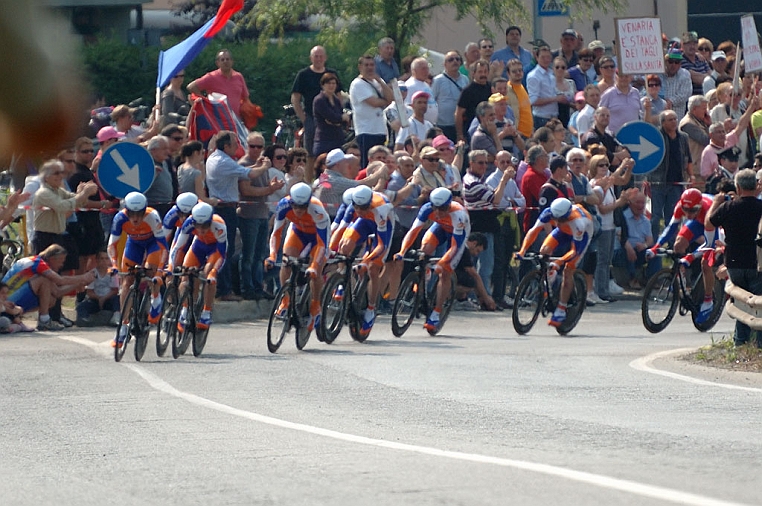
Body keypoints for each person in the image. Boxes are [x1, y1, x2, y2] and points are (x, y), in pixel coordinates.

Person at [205, 130, 272, 301]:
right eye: (235, 144)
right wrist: (264, 166)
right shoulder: (223, 161)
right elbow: (249, 174)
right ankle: (224, 289)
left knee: (227, 249)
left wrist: (257, 165)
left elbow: (240, 170)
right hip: (224, 208)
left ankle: (224, 288)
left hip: (225, 208)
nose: (238, 147)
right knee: (226, 250)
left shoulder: (216, 157)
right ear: (226, 146)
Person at [395, 187, 472, 329]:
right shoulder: (426, 209)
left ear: (449, 204)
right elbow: (413, 231)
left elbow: (454, 247)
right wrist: (402, 251)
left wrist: (442, 262)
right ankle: (424, 276)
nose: (438, 212)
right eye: (435, 208)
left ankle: (436, 312)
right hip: (441, 228)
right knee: (424, 250)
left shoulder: (459, 214)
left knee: (445, 271)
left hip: (457, 235)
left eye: (442, 208)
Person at [516, 198, 594, 327]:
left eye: (561, 219)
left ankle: (561, 309)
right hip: (563, 231)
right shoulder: (549, 212)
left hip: (582, 235)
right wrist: (522, 251)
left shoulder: (578, 222)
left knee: (568, 269)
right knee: (544, 251)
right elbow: (533, 231)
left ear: (567, 215)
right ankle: (549, 278)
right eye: (556, 219)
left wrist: (559, 261)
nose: (557, 222)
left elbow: (575, 251)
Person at [265, 183, 331, 333]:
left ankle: (315, 305)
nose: (299, 210)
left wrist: (314, 265)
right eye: (295, 206)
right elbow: (276, 233)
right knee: (286, 261)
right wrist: (272, 255)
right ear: (290, 202)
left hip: (318, 238)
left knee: (316, 270)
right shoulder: (283, 205)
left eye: (303, 207)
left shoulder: (317, 209)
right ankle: (285, 300)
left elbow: (322, 244)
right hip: (298, 232)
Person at [707, 169, 762, 346]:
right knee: (757, 306)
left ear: (738, 188)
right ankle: (758, 345)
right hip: (757, 263)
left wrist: (715, 203)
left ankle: (740, 343)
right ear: (756, 186)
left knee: (740, 304)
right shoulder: (760, 207)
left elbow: (709, 223)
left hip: (734, 263)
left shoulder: (729, 207)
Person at [647, 188, 717, 322]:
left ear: (699, 206)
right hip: (698, 221)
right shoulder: (682, 206)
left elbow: (709, 245)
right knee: (678, 245)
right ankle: (680, 280)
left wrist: (690, 257)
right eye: (686, 210)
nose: (688, 214)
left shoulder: (708, 209)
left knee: (705, 263)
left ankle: (708, 301)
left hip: (712, 223)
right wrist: (656, 247)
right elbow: (671, 228)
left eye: (692, 210)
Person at [108, 192, 168, 347]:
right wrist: (114, 264)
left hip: (153, 244)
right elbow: (111, 245)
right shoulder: (120, 218)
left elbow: (163, 248)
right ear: (126, 211)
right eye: (131, 214)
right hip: (134, 244)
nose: (135, 219)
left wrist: (160, 272)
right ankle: (124, 325)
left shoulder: (152, 217)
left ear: (144, 211)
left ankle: (156, 298)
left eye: (139, 214)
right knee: (127, 282)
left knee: (149, 273)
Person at [336, 186, 394, 337]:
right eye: (357, 207)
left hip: (383, 227)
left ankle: (371, 308)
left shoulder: (380, 208)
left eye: (364, 207)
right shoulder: (353, 206)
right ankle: (342, 280)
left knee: (373, 268)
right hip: (365, 223)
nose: (360, 210)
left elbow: (381, 245)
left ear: (370, 203)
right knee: (344, 245)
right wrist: (329, 251)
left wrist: (366, 261)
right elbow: (340, 230)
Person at [2, 244, 95, 331]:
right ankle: (44, 320)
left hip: (8, 298)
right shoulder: (38, 264)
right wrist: (83, 277)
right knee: (44, 280)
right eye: (61, 261)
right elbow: (60, 280)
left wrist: (80, 283)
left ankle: (15, 317)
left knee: (51, 299)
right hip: (6, 300)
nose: (61, 265)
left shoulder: (38, 264)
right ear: (52, 259)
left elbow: (57, 292)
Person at [169, 202, 228, 332]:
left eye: (205, 225)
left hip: (215, 250)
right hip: (198, 246)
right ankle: (185, 308)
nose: (201, 229)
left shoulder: (219, 225)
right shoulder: (189, 223)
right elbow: (178, 247)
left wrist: (214, 272)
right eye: (198, 225)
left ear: (210, 220)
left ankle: (206, 312)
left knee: (209, 274)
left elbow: (222, 254)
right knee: (186, 274)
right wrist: (172, 267)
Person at [463, 149, 513, 301]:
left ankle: (479, 297)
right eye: (480, 163)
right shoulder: (473, 183)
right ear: (471, 163)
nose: (484, 166)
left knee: (483, 266)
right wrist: (504, 180)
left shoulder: (479, 180)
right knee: (484, 267)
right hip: (481, 229)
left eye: (486, 163)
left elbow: (497, 197)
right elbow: (496, 200)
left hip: (485, 228)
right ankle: (483, 299)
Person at [642, 110, 693, 240]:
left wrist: (691, 175)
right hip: (658, 183)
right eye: (670, 120)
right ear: (663, 122)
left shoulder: (683, 137)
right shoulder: (657, 136)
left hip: (676, 183)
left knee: (672, 217)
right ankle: (653, 243)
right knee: (655, 216)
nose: (674, 122)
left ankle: (671, 244)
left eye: (675, 119)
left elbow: (688, 158)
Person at [291, 46, 340, 159]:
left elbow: (338, 94)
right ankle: (309, 177)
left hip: (332, 119)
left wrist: (339, 113)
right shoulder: (303, 75)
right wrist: (303, 118)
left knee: (333, 154)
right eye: (316, 56)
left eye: (321, 56)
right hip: (311, 118)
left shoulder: (332, 73)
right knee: (310, 154)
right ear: (311, 58)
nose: (318, 59)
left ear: (325, 58)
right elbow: (295, 97)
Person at [349, 55, 393, 166]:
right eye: (366, 65)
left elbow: (391, 98)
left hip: (380, 130)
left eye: (372, 65)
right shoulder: (357, 84)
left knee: (381, 163)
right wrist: (385, 101)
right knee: (367, 163)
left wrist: (380, 80)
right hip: (366, 131)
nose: (369, 68)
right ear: (360, 67)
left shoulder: (377, 82)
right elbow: (374, 102)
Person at [614, 190, 661, 288]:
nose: (640, 206)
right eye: (637, 202)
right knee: (629, 251)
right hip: (622, 250)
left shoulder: (646, 221)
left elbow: (650, 240)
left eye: (642, 203)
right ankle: (632, 279)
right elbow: (620, 236)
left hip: (639, 250)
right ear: (630, 203)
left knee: (655, 250)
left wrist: (644, 245)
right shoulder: (623, 217)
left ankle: (652, 279)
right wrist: (629, 248)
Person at [187, 49, 249, 117]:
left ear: (232, 61)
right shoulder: (211, 77)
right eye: (222, 60)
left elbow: (246, 98)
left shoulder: (239, 77)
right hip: (218, 120)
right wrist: (205, 102)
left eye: (227, 59)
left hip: (236, 119)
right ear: (217, 63)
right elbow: (191, 87)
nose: (225, 62)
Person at [431, 50, 469, 142]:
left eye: (457, 59)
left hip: (460, 125)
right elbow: (432, 101)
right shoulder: (437, 80)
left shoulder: (465, 79)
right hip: (442, 125)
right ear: (444, 64)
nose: (455, 61)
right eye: (451, 59)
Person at [75, 250, 119, 325]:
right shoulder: (93, 272)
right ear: (97, 260)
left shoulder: (112, 272)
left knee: (117, 299)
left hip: (109, 298)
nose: (104, 261)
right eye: (101, 258)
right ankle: (83, 319)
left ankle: (116, 317)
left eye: (106, 259)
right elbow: (89, 291)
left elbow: (115, 290)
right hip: (96, 299)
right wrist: (99, 298)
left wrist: (104, 298)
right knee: (82, 306)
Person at [452, 233, 495, 310]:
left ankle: (462, 299)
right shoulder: (464, 250)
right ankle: (451, 298)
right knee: (471, 282)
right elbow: (474, 275)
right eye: (477, 251)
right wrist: (486, 298)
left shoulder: (460, 244)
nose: (476, 254)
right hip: (450, 275)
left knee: (465, 276)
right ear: (474, 243)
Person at [312, 72, 350, 157]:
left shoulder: (336, 100)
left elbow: (341, 119)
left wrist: (339, 119)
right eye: (328, 83)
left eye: (334, 83)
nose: (331, 86)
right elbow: (331, 117)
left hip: (338, 139)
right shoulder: (319, 100)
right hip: (324, 141)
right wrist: (340, 118)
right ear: (323, 85)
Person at [455, 59, 492, 142]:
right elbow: (458, 114)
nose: (483, 74)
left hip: (489, 131)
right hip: (471, 131)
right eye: (480, 72)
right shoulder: (468, 91)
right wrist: (460, 135)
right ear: (473, 73)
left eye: (485, 71)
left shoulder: (491, 88)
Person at [526, 43, 559, 129]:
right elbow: (533, 101)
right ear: (537, 58)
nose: (546, 60)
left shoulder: (552, 73)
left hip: (554, 117)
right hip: (541, 118)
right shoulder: (533, 76)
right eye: (543, 57)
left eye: (548, 57)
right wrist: (555, 99)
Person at [144, 135, 175, 218]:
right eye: (164, 149)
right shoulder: (147, 165)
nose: (168, 151)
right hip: (154, 207)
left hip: (167, 206)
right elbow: (142, 187)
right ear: (153, 150)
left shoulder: (165, 162)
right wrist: (152, 175)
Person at [404, 57, 438, 125]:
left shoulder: (426, 84)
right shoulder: (410, 86)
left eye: (427, 68)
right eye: (423, 69)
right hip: (418, 125)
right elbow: (407, 107)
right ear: (414, 71)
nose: (426, 71)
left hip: (429, 125)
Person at [505, 59, 533, 138]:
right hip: (517, 136)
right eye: (514, 71)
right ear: (508, 74)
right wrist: (516, 132)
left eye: (520, 70)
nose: (518, 73)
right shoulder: (507, 91)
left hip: (528, 135)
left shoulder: (522, 87)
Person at [661, 49, 693, 118]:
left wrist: (670, 101)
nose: (673, 65)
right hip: (659, 116)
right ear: (665, 61)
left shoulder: (685, 74)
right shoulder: (658, 75)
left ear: (680, 64)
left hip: (677, 117)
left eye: (677, 62)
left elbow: (685, 94)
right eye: (671, 61)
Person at [680, 31, 711, 96]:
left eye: (694, 44)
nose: (692, 46)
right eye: (689, 44)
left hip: (704, 97)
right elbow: (696, 78)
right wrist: (706, 76)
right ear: (683, 45)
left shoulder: (701, 59)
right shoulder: (680, 60)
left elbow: (711, 77)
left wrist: (706, 77)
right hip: (691, 100)